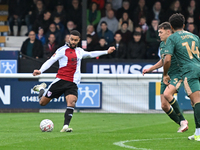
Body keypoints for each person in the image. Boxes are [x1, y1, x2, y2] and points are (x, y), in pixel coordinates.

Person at [32, 30, 115, 132]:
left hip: (73, 82)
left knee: (71, 102)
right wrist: (40, 70)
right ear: (69, 38)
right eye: (72, 39)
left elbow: (90, 54)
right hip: (61, 80)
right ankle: (41, 89)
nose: (73, 42)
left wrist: (106, 51)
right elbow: (50, 61)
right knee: (42, 103)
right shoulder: (62, 50)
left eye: (75, 40)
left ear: (78, 40)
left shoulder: (80, 51)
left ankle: (65, 126)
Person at [143, 22, 188, 132]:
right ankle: (182, 123)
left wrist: (165, 74)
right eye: (158, 32)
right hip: (166, 75)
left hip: (177, 74)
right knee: (164, 105)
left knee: (168, 94)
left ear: (168, 32)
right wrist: (150, 69)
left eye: (161, 32)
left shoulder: (176, 41)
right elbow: (163, 60)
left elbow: (169, 60)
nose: (159, 35)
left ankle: (183, 121)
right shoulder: (162, 44)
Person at [163, 13, 200, 141]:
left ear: (171, 27)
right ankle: (197, 132)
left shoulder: (172, 38)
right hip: (198, 67)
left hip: (190, 71)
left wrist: (165, 74)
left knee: (197, 101)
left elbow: (167, 60)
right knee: (194, 102)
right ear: (184, 25)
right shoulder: (195, 36)